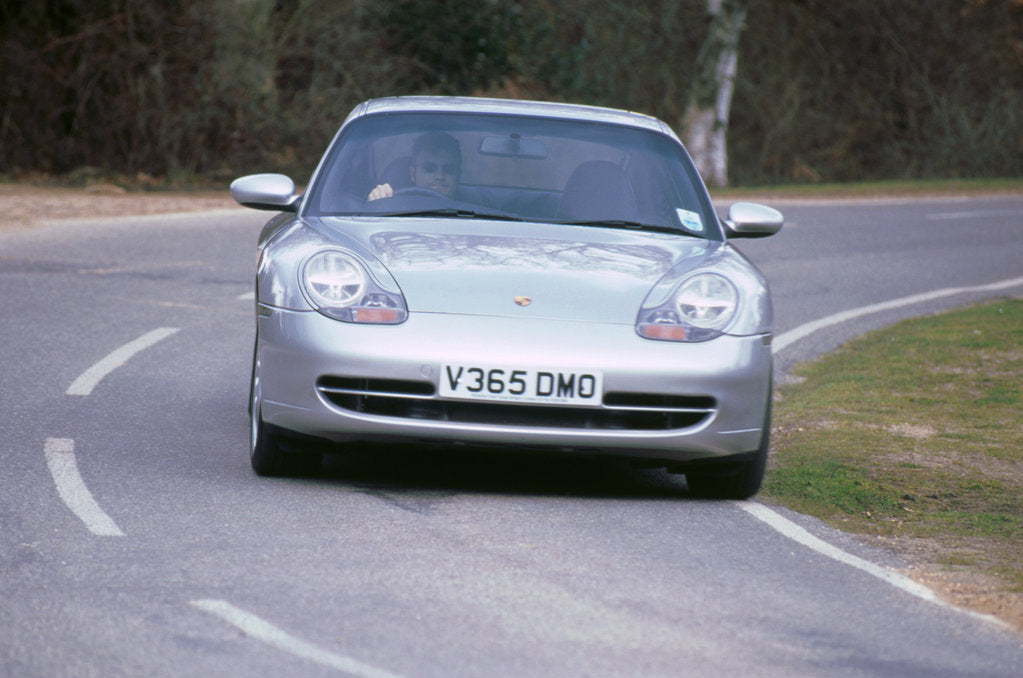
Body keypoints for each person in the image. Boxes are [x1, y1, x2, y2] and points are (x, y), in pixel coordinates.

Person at [367, 132, 461, 201]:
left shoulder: (474, 213)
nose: (439, 176)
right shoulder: (391, 205)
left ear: (458, 175)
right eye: (429, 169)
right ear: (413, 174)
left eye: (449, 170)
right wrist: (375, 204)